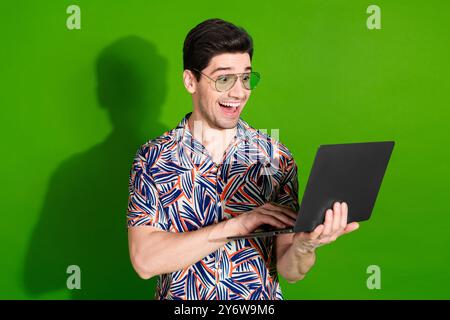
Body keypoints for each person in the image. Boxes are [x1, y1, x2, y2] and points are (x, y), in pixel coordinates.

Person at [126, 18, 359, 300]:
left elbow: (291, 270)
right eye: (224, 79)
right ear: (191, 81)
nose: (239, 92)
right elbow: (145, 262)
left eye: (246, 78)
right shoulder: (154, 157)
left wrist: (304, 247)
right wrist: (238, 225)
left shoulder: (275, 156)